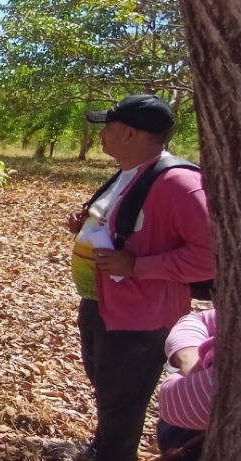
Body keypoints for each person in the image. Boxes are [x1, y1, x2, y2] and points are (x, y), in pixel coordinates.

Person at [66, 94, 214, 461]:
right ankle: (102, 448)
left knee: (124, 397)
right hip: (103, 303)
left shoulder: (181, 184)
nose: (101, 135)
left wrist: (136, 267)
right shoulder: (130, 171)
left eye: (108, 128)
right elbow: (126, 226)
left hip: (140, 317)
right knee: (109, 389)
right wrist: (86, 228)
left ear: (131, 133)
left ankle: (112, 454)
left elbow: (211, 258)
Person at [155, 309, 216, 461]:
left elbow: (173, 402)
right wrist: (190, 358)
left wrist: (180, 378)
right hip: (185, 427)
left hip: (200, 435)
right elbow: (200, 319)